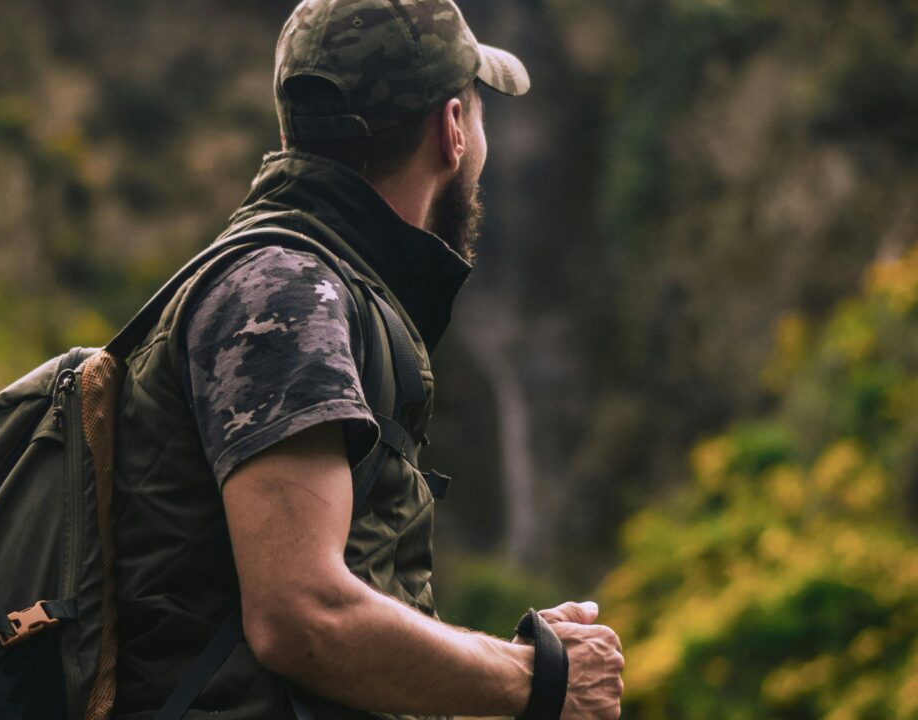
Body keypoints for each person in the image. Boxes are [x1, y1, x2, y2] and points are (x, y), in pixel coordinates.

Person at [111, 0, 625, 718]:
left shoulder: (310, 285)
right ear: (452, 129)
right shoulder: (288, 292)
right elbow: (302, 617)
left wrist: (504, 665)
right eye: (476, 112)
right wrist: (534, 679)